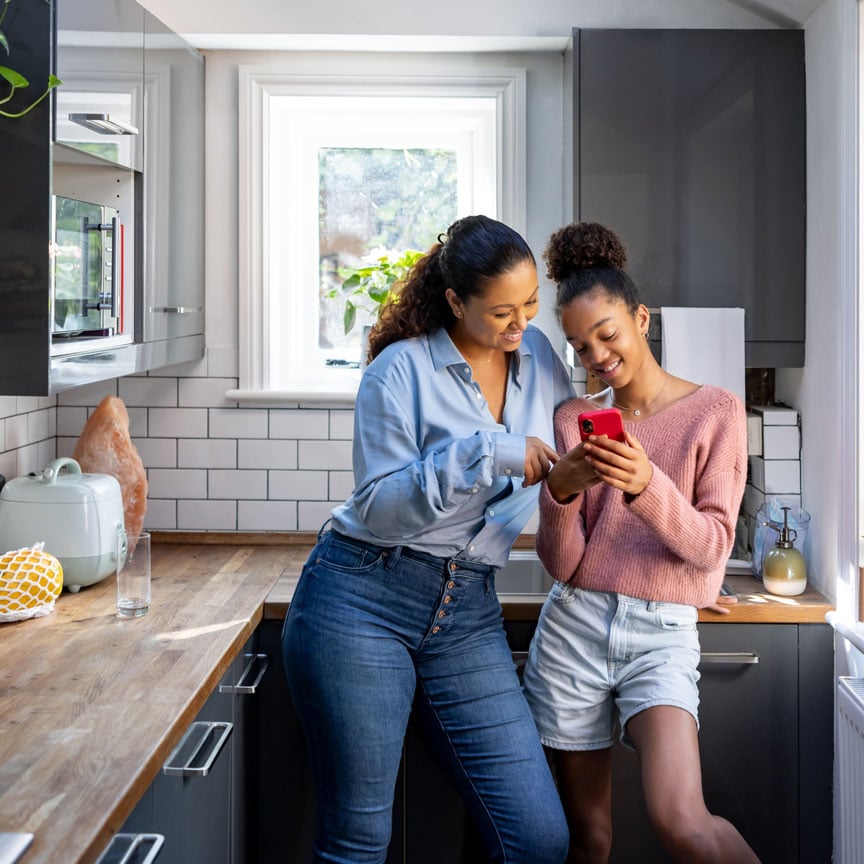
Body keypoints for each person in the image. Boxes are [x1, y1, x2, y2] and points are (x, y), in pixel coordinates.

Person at [282, 214, 574, 864]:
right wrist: (488, 452)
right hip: (361, 600)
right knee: (358, 843)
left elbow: (565, 450)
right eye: (501, 311)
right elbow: (381, 509)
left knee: (538, 840)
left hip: (466, 613)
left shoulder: (542, 362)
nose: (520, 324)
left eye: (529, 305)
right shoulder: (398, 371)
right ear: (454, 302)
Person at [522, 221, 760, 864]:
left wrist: (648, 485)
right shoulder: (576, 420)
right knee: (587, 840)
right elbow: (564, 564)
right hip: (575, 629)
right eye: (579, 346)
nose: (596, 355)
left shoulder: (716, 412)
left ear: (640, 318)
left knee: (682, 822)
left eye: (607, 334)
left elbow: (711, 546)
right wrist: (561, 493)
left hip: (661, 637)